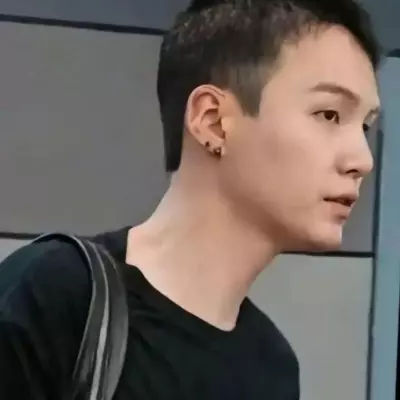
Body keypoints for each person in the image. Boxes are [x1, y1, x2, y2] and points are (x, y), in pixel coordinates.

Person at [0, 0, 381, 399]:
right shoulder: (54, 297)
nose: (363, 160)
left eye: (366, 127)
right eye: (329, 115)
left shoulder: (273, 366)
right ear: (212, 121)